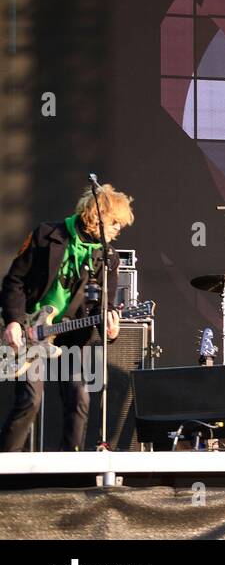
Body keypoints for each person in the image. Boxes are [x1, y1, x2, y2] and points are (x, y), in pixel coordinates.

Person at [1, 185, 132, 452]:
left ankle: (68, 477)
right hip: (29, 328)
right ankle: (5, 466)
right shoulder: (47, 235)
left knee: (79, 397)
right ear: (96, 215)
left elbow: (101, 308)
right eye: (114, 222)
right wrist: (14, 320)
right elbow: (14, 280)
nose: (118, 229)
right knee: (30, 399)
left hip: (71, 335)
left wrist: (110, 325)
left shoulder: (107, 258)